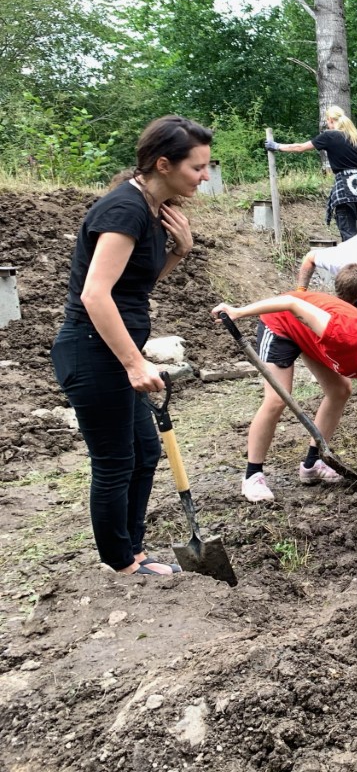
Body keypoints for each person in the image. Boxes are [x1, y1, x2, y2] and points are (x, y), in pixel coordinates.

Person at [51, 116, 213, 576]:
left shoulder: (147, 208)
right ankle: (119, 563)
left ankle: (133, 552)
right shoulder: (124, 210)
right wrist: (133, 362)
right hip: (92, 351)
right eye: (197, 167)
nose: (204, 176)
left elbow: (132, 287)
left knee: (143, 452)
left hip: (107, 351)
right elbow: (94, 294)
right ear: (163, 163)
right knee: (115, 460)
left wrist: (178, 252)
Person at [210, 290, 357, 503]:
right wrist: (238, 311)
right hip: (281, 324)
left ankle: (312, 463)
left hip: (310, 337)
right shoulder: (341, 333)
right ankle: (253, 475)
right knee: (276, 399)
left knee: (340, 390)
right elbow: (291, 303)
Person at [268, 106, 357, 241]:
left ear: (331, 120)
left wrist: (276, 146)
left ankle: (353, 261)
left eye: (327, 121)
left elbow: (300, 147)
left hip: (344, 191)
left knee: (349, 238)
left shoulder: (329, 136)